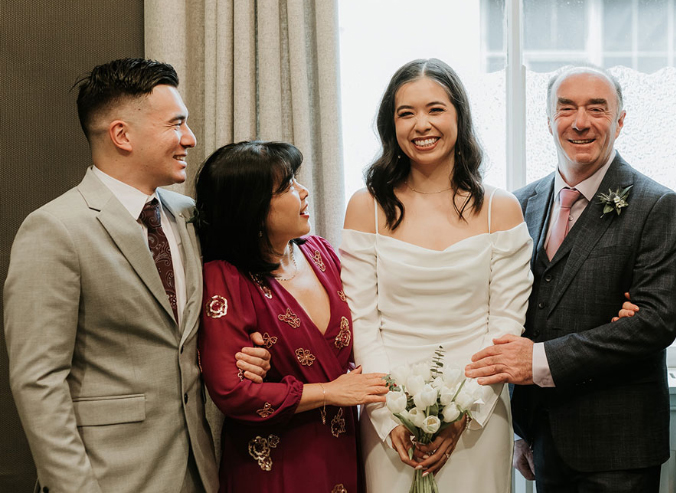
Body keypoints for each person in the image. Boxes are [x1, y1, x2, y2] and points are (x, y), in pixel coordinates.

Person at [4, 58, 270, 493]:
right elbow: (38, 380)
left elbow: (193, 333)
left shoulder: (185, 216)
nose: (190, 138)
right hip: (108, 478)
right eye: (176, 124)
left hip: (197, 472)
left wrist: (242, 352)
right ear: (122, 135)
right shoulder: (54, 229)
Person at [465, 65, 676, 493]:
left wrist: (538, 361)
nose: (580, 121)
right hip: (543, 438)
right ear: (549, 120)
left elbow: (655, 322)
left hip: (618, 446)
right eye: (566, 108)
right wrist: (520, 430)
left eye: (597, 109)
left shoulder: (657, 205)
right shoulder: (520, 204)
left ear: (620, 121)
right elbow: (513, 313)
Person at [340, 58, 533, 492]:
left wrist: (461, 414)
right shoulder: (365, 207)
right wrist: (391, 416)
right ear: (390, 125)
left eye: (435, 109)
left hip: (478, 413)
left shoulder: (499, 210)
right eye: (405, 113)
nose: (421, 125)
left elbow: (505, 325)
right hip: (387, 415)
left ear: (459, 117)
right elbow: (361, 321)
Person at [194, 141, 389, 492]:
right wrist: (329, 392)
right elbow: (233, 391)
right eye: (286, 186)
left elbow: (368, 329)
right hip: (274, 464)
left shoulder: (320, 253)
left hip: (342, 450)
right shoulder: (225, 278)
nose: (302, 191)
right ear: (250, 208)